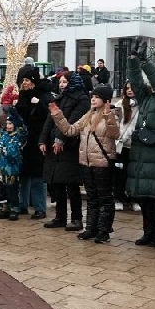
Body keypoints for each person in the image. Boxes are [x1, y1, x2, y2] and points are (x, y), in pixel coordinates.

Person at [49, 84, 120, 243]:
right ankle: (90, 228)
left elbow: (115, 134)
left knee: (105, 198)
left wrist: (108, 115)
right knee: (92, 197)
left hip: (102, 163)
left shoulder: (111, 115)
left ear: (106, 100)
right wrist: (58, 115)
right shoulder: (88, 115)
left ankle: (103, 231)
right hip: (86, 163)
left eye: (97, 97)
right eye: (92, 97)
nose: (93, 99)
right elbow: (70, 130)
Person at [126, 40, 155, 247]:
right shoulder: (145, 99)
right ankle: (148, 232)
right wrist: (133, 61)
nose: (153, 85)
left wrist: (146, 63)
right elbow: (136, 81)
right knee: (145, 197)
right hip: (142, 154)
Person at [41, 73, 89, 231]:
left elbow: (73, 121)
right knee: (57, 184)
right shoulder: (59, 98)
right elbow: (49, 120)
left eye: (65, 82)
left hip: (70, 147)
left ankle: (76, 219)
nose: (61, 84)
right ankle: (60, 217)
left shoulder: (82, 99)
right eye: (60, 82)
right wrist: (43, 140)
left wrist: (60, 139)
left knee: (72, 184)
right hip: (54, 147)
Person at [14, 65, 49, 219]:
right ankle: (22, 205)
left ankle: (40, 207)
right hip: (23, 141)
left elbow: (47, 117)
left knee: (37, 176)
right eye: (23, 80)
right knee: (23, 175)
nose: (24, 83)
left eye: (27, 80)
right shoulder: (22, 96)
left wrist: (38, 104)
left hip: (38, 140)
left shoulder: (43, 96)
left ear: (34, 81)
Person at [0, 99, 26, 221]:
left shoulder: (19, 135)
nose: (8, 126)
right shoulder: (2, 135)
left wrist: (13, 111)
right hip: (1, 169)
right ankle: (3, 209)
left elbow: (21, 125)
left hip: (13, 170)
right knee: (1, 191)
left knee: (12, 190)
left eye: (11, 124)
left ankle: (14, 209)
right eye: (7, 123)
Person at [113, 80, 138, 212]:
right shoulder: (120, 104)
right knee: (120, 173)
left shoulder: (142, 105)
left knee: (134, 174)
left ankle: (134, 198)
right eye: (127, 88)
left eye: (132, 88)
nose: (129, 90)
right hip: (121, 145)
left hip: (136, 145)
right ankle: (118, 198)